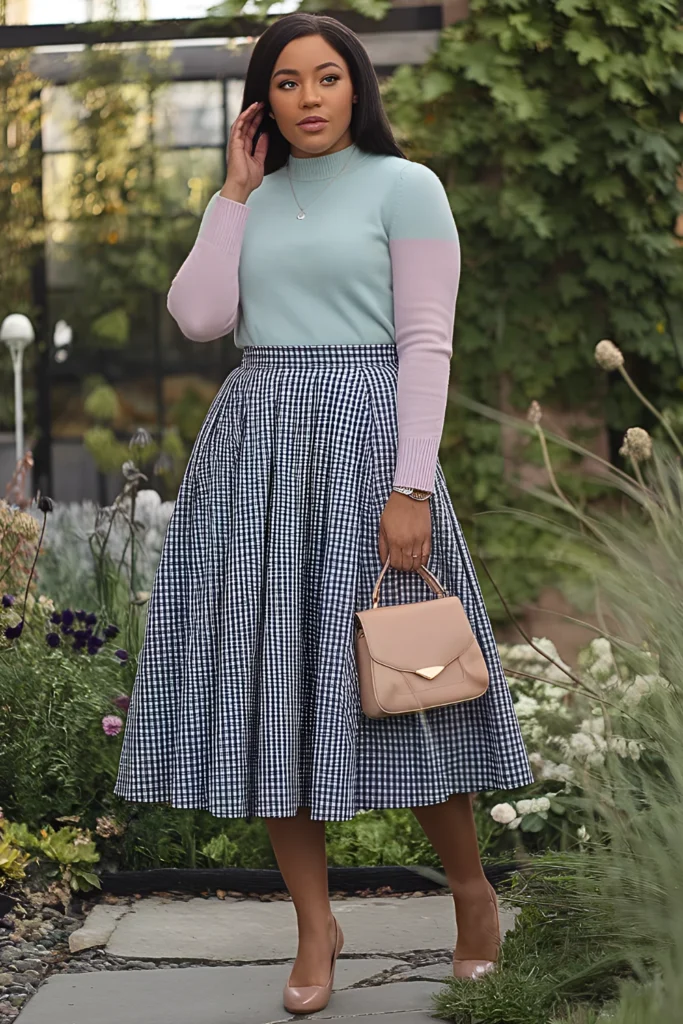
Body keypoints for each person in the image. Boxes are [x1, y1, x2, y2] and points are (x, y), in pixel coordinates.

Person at [113, 11, 533, 1014]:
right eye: (287, 82)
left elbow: (426, 344)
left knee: (407, 679)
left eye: (326, 78)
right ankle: (314, 925)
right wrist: (230, 191)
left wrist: (411, 486)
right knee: (270, 695)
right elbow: (201, 318)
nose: (308, 98)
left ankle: (471, 897)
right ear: (262, 101)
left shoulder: (406, 187)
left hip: (364, 447)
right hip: (253, 457)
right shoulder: (248, 199)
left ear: (356, 89)